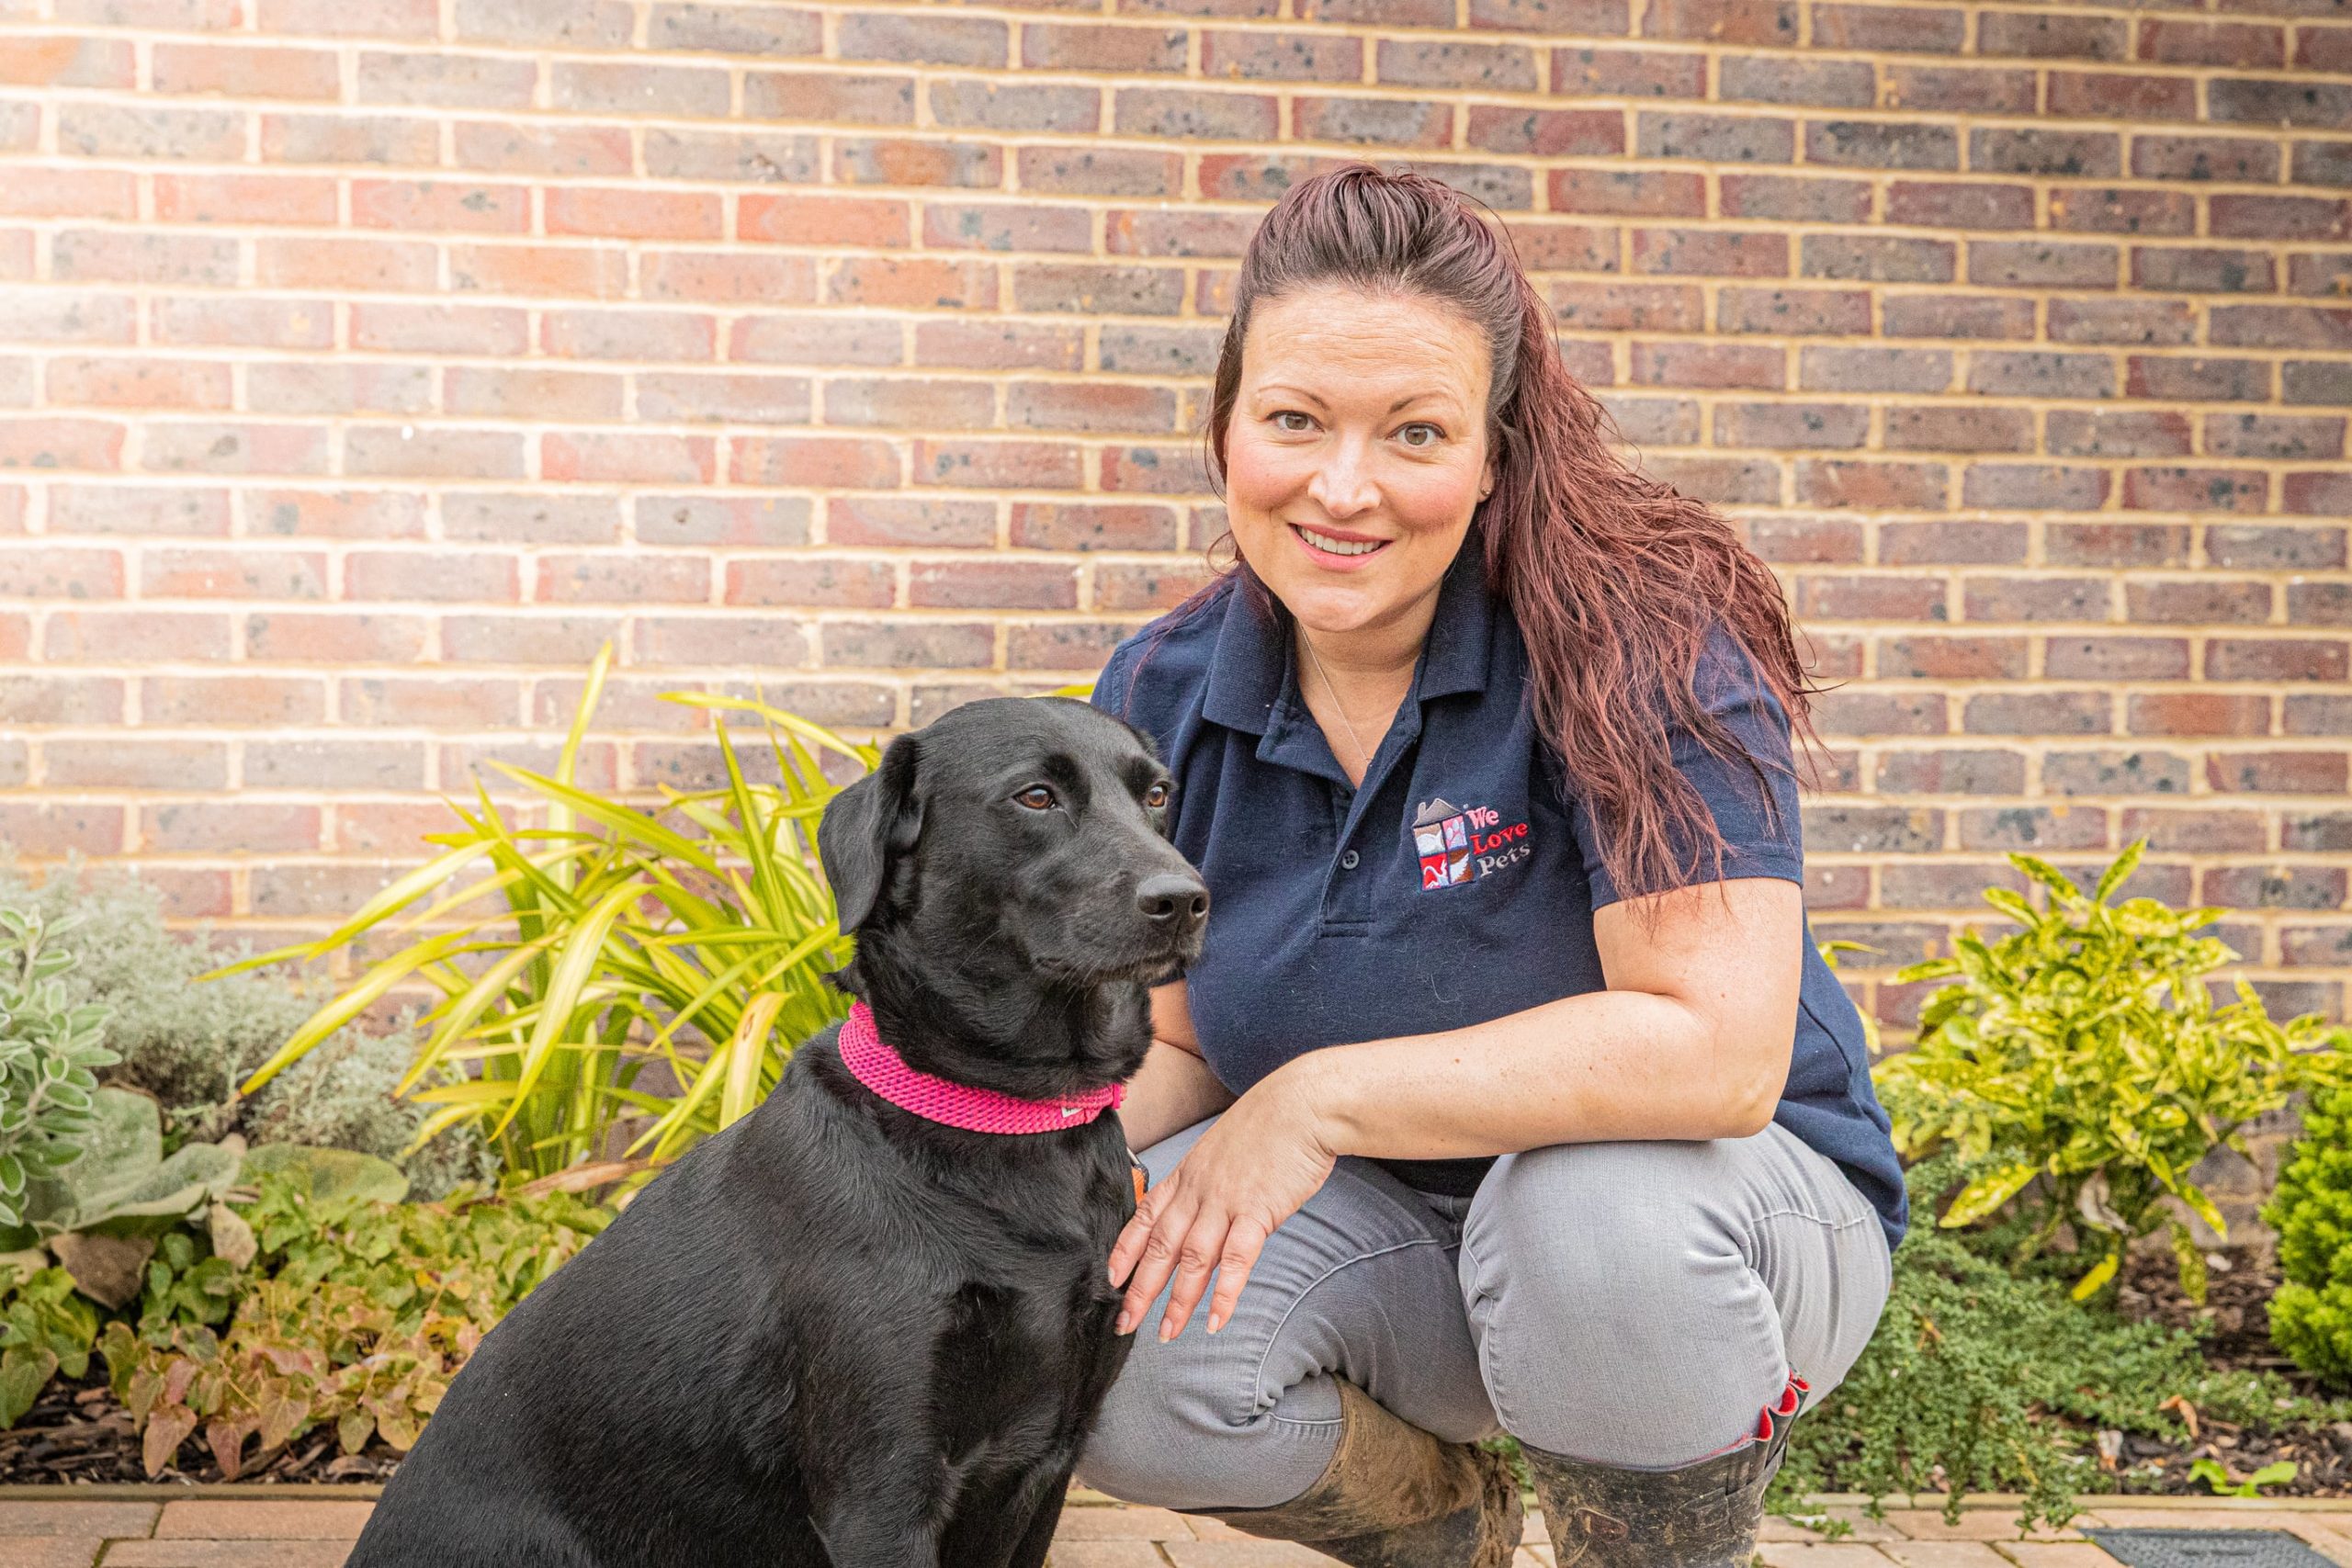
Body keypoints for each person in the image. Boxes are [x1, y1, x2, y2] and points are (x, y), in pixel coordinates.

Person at [1070, 163, 1906, 1568]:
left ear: (1495, 456)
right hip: (1406, 1249)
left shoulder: (1638, 642)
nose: (1344, 488)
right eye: (1293, 421)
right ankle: (1440, 1525)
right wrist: (972, 1163)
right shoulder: (1161, 687)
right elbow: (1174, 1040)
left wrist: (1320, 1098)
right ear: (1225, 432)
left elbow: (1716, 1054)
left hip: (1713, 1233)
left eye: (1414, 433)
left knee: (1584, 1211)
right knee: (1104, 1316)